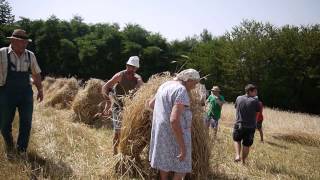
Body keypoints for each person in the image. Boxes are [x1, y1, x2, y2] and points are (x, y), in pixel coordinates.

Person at [148, 69, 200, 180]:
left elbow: (151, 104)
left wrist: (163, 115)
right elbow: (174, 120)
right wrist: (182, 147)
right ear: (188, 80)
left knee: (164, 160)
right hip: (176, 131)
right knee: (182, 164)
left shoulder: (165, 85)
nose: (195, 86)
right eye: (194, 83)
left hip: (162, 132)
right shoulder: (181, 90)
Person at [0, 29, 43, 158]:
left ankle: (21, 150)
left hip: (25, 93)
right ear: (12, 41)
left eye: (25, 42)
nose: (24, 44)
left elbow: (36, 73)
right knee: (4, 123)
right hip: (6, 92)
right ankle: (9, 145)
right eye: (21, 42)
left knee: (26, 122)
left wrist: (40, 89)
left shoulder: (30, 55)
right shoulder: (1, 53)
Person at [101, 56, 143, 155]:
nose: (131, 69)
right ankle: (115, 153)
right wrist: (108, 103)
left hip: (130, 108)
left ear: (136, 69)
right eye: (129, 66)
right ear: (126, 65)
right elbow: (105, 87)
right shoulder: (120, 75)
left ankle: (126, 152)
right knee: (118, 131)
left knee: (129, 132)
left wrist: (139, 84)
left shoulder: (138, 78)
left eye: (133, 67)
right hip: (118, 106)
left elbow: (143, 89)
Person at [233, 84, 260, 164]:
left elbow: (236, 107)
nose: (256, 93)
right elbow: (257, 114)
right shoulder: (255, 101)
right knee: (246, 145)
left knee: (237, 140)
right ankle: (243, 161)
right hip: (250, 126)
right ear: (250, 91)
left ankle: (237, 155)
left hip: (238, 124)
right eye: (255, 91)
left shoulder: (238, 98)